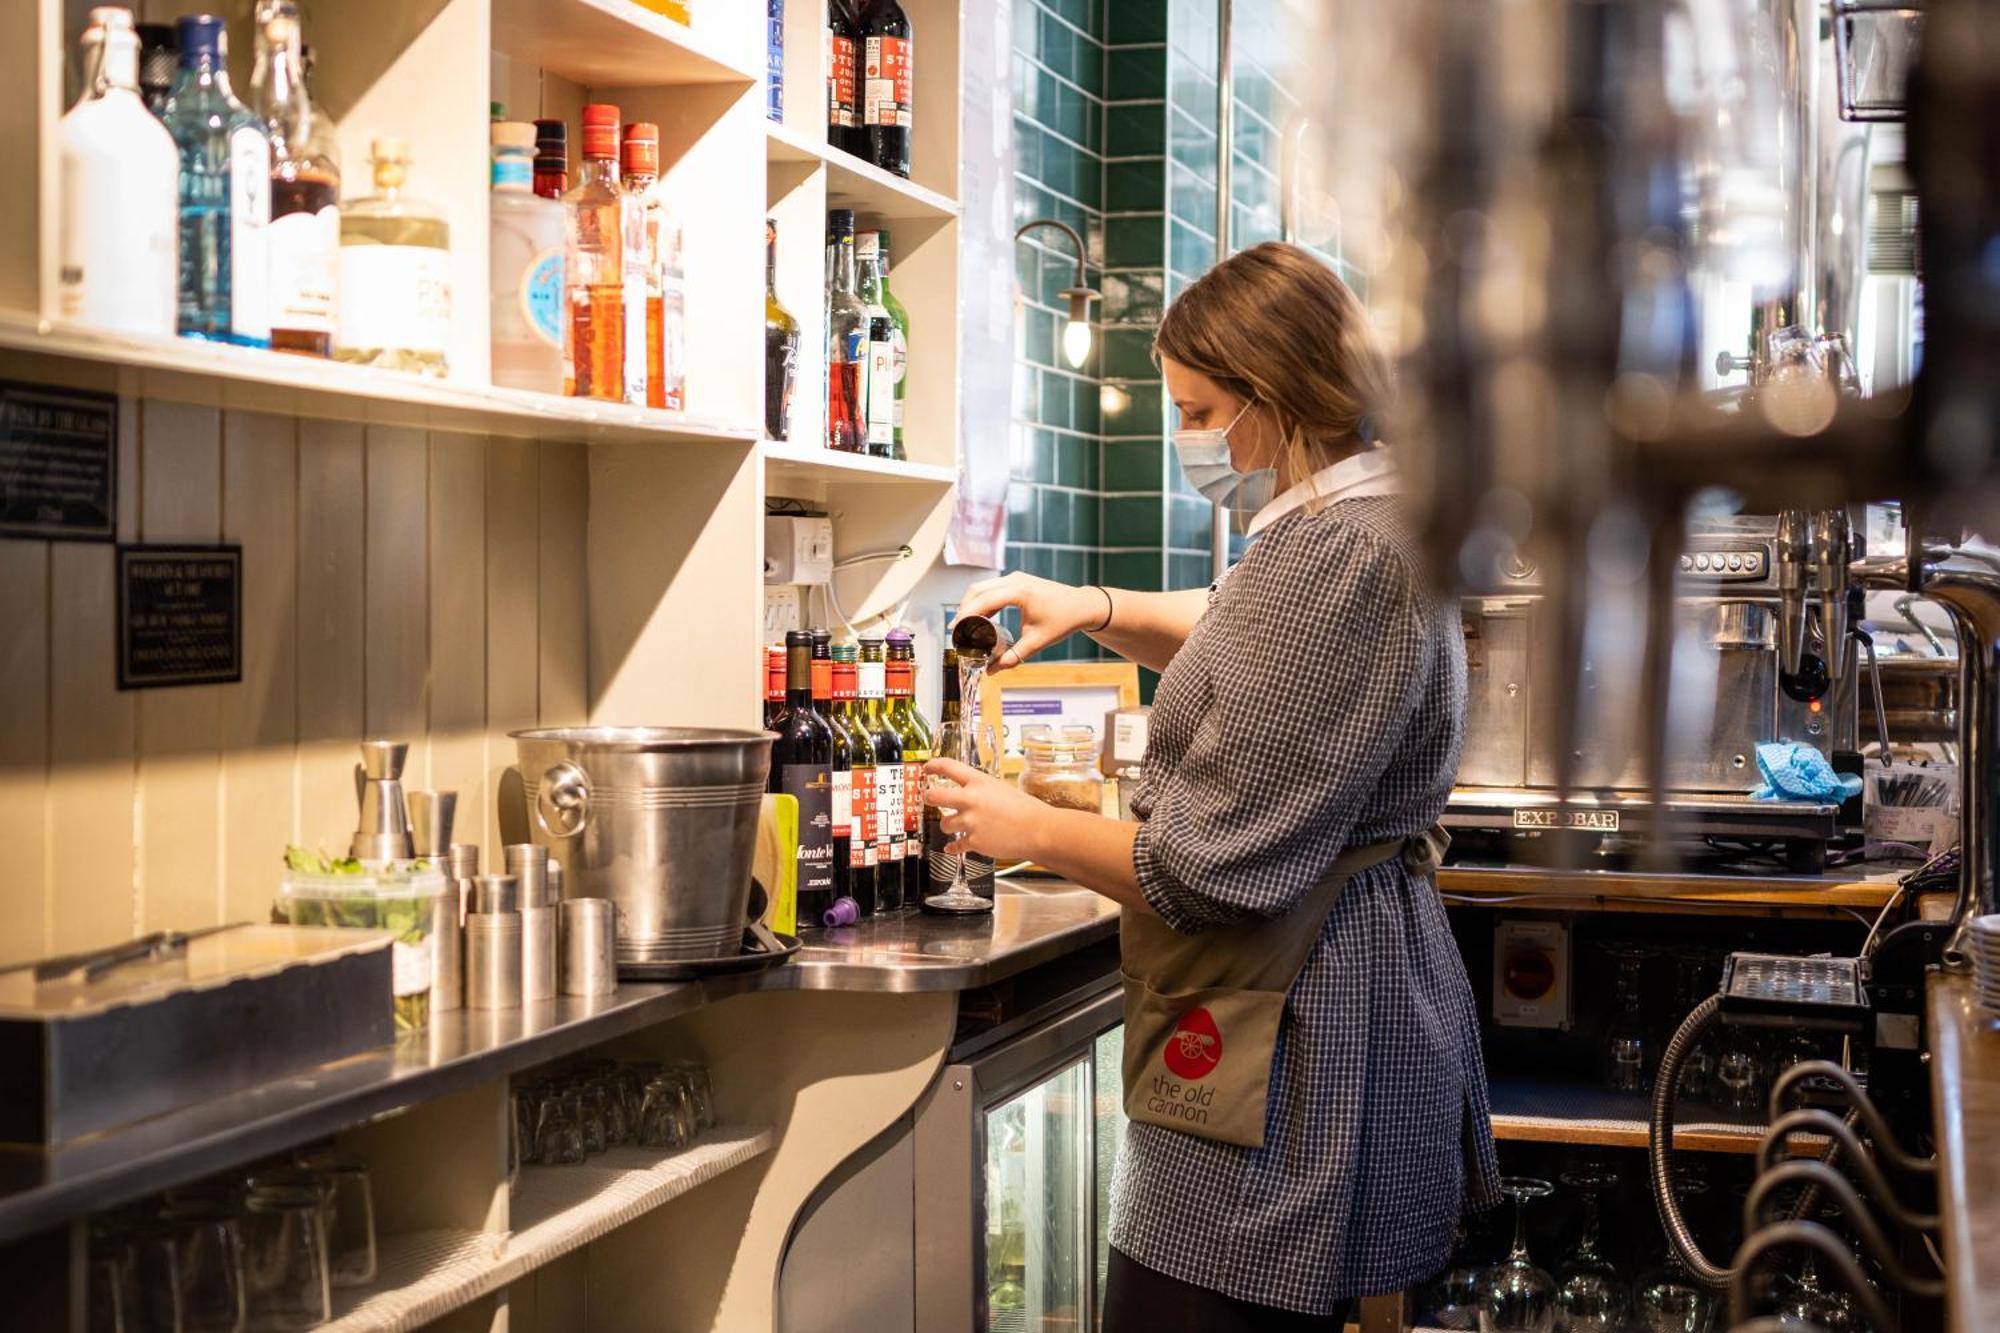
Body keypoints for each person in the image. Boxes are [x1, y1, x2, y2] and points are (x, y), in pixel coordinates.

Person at [924, 241, 1497, 1331]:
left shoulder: (1341, 553)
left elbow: (1200, 871)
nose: (1188, 438)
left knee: (1190, 1299)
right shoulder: (1351, 523)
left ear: (1271, 403)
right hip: (1327, 992)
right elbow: (1249, 636)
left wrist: (1022, 824)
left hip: (1298, 1030)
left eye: (1196, 410)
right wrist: (1090, 603)